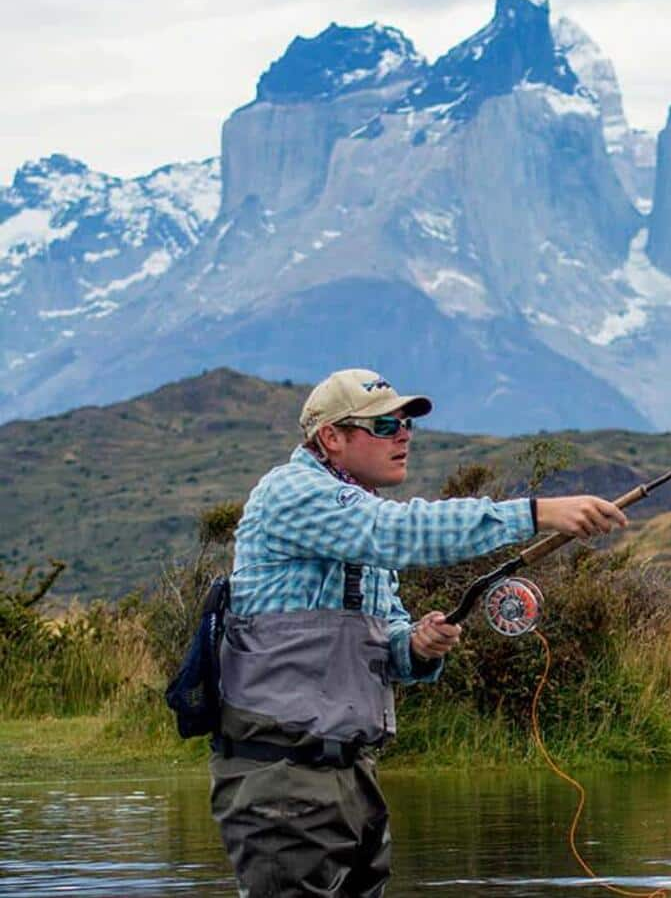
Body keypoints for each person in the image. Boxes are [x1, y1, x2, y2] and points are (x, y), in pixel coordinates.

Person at [210, 368, 626, 896]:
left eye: (406, 423)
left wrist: (415, 646)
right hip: (282, 776)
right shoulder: (291, 492)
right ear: (331, 437)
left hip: (352, 776)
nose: (404, 434)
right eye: (384, 425)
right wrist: (535, 514)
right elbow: (395, 533)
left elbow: (391, 646)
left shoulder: (358, 514)